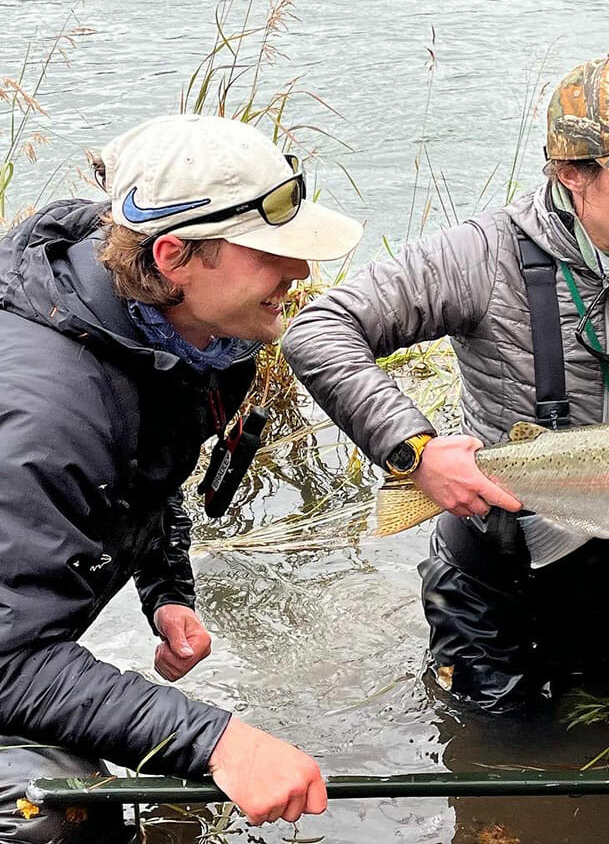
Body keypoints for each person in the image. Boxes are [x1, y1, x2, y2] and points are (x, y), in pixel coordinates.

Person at [283, 54, 609, 713]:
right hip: (493, 595)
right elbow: (319, 329)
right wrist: (414, 451)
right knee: (492, 785)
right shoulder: (483, 255)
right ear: (571, 174)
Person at [0, 113, 362, 842]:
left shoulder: (190, 336)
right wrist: (218, 740)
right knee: (57, 817)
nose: (299, 273)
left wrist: (166, 589)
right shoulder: (47, 412)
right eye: (271, 254)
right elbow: (9, 662)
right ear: (172, 255)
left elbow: (147, 474)